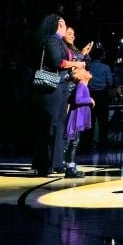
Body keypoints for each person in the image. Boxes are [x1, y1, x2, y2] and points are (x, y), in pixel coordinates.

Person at [31, 14, 85, 177]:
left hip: (59, 89)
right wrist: (76, 64)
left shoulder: (57, 42)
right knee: (53, 125)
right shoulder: (52, 41)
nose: (65, 26)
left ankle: (51, 163)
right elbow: (57, 62)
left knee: (55, 125)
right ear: (56, 26)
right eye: (62, 23)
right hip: (53, 89)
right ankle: (50, 163)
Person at [61, 67, 94, 178]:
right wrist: (90, 99)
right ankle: (70, 167)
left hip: (78, 116)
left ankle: (70, 166)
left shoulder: (82, 86)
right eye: (85, 71)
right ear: (81, 76)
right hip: (76, 117)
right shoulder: (81, 86)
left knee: (74, 142)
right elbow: (78, 100)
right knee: (73, 142)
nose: (88, 71)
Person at [85, 47, 113, 149]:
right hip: (102, 96)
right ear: (102, 56)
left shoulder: (88, 67)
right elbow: (110, 82)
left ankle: (87, 143)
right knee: (103, 121)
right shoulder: (106, 67)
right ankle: (103, 144)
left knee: (90, 121)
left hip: (89, 95)